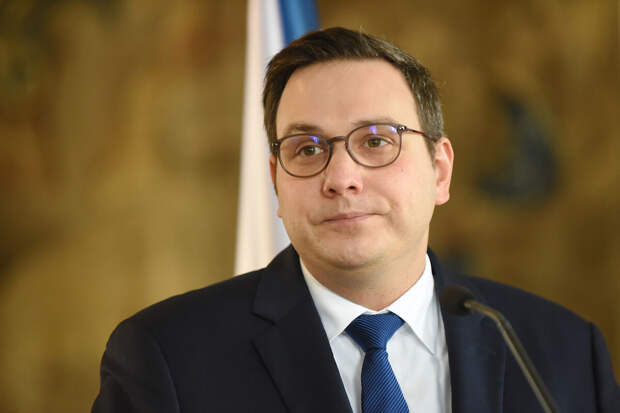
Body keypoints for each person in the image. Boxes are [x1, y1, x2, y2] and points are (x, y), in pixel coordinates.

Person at [92, 27, 619, 413]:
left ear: (439, 171)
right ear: (276, 182)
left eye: (376, 141)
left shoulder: (563, 352)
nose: (341, 178)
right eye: (307, 148)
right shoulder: (167, 357)